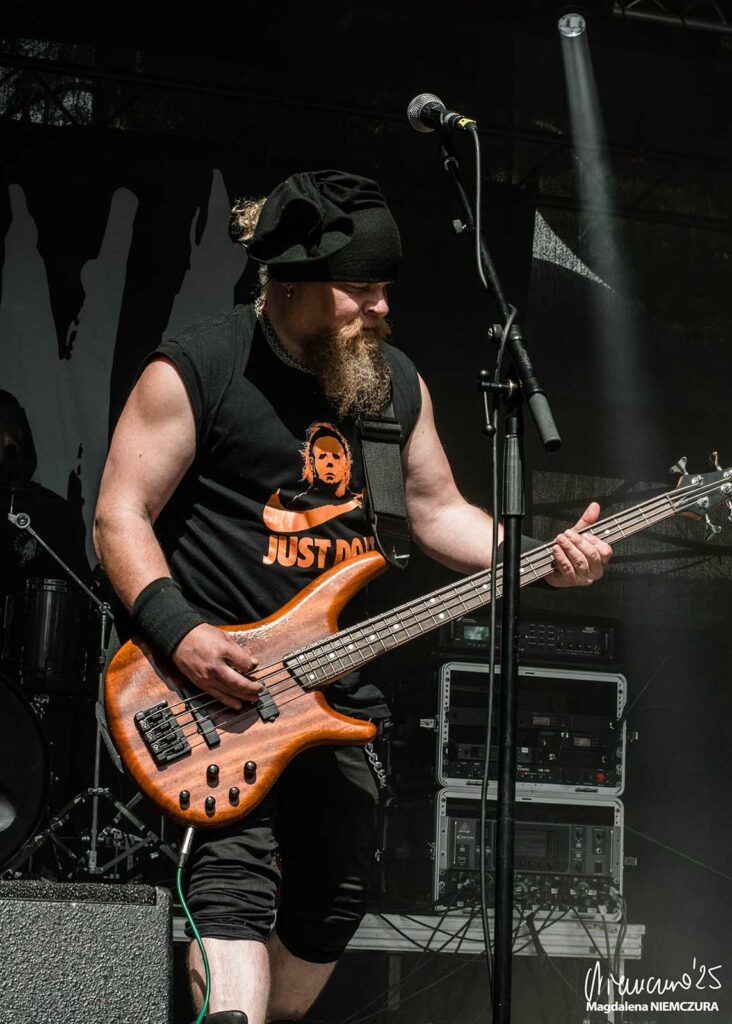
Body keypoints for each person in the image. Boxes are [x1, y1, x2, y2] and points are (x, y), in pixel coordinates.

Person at [93, 170, 612, 1024]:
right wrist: (181, 634)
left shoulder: (389, 384)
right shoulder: (197, 368)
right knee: (233, 887)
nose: (380, 307)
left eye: (384, 288)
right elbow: (120, 513)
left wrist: (540, 561)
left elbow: (436, 511)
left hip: (338, 690)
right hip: (217, 689)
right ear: (291, 283)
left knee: (336, 897)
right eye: (360, 288)